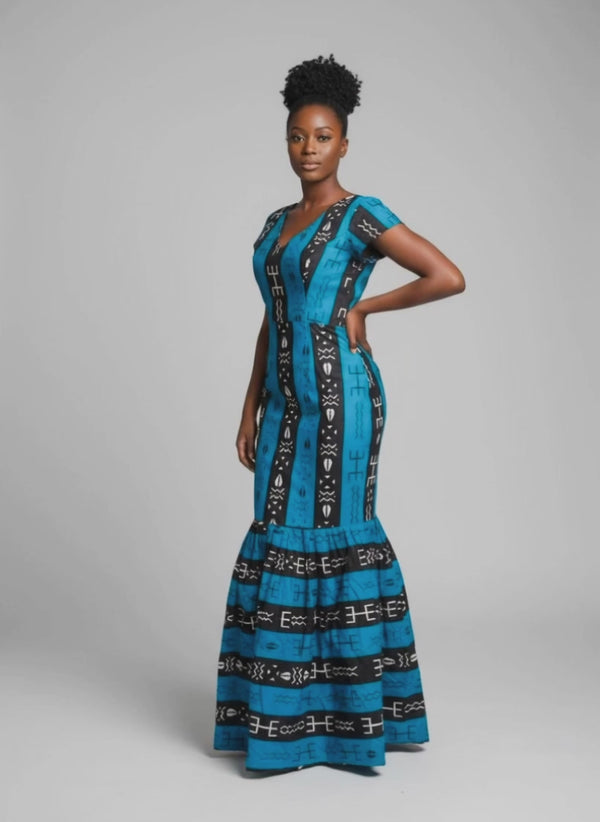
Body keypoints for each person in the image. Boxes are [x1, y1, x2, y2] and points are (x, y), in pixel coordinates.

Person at [213, 54, 465, 774]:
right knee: (279, 530)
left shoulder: (361, 214)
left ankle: (348, 725)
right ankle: (284, 721)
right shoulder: (276, 222)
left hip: (341, 401)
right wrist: (249, 405)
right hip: (283, 402)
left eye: (322, 137)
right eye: (297, 136)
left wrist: (364, 308)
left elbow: (447, 275)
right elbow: (273, 318)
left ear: (344, 143)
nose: (308, 149)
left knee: (331, 529)